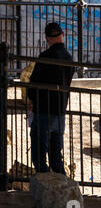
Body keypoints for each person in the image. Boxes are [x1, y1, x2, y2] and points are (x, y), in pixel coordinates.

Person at [27, 22, 74, 174]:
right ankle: (63, 188)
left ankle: (47, 189)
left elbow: (33, 83)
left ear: (47, 39)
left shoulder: (44, 57)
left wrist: (31, 100)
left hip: (43, 111)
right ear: (63, 35)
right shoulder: (69, 58)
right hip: (59, 112)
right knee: (56, 158)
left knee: (39, 158)